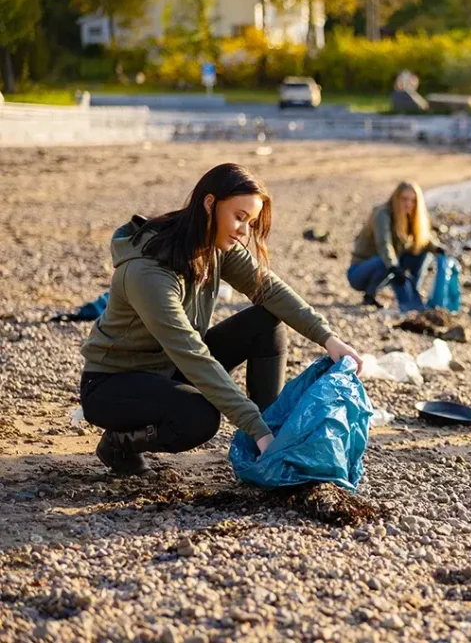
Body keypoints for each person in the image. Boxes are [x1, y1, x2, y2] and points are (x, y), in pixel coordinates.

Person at [79, 163, 363, 476]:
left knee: (266, 324)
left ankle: (271, 442)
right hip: (112, 384)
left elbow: (269, 289)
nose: (244, 231)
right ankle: (120, 444)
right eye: (239, 217)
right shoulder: (147, 273)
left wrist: (328, 338)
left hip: (169, 368)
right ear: (210, 203)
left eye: (250, 222)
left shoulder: (214, 246)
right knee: (198, 417)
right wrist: (253, 426)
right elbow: (190, 353)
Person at [348, 180, 444, 309]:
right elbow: (384, 244)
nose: (408, 204)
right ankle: (370, 295)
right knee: (384, 261)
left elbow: (424, 239)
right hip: (360, 273)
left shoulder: (410, 216)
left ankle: (413, 293)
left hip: (387, 269)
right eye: (404, 199)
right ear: (396, 198)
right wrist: (394, 267)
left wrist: (437, 248)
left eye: (413, 201)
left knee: (422, 252)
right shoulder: (382, 214)